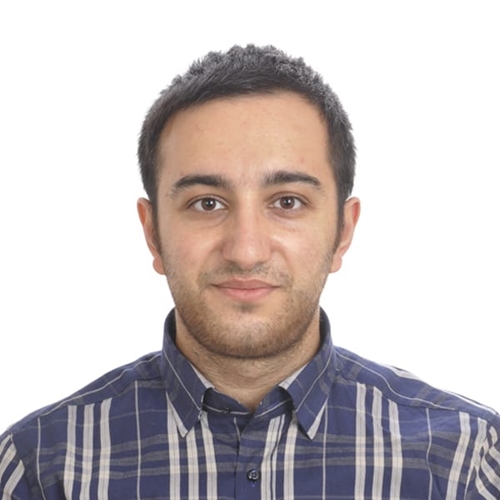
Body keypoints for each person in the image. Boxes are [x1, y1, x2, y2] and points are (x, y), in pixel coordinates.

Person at [1, 45, 499, 500]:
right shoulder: (40, 468)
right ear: (153, 233)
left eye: (287, 202)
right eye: (207, 203)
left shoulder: (467, 463)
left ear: (342, 231)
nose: (245, 250)